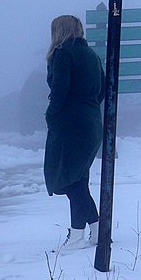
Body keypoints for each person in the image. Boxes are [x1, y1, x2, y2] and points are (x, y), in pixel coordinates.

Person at [44, 14, 104, 251]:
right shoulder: (91, 55)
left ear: (58, 31)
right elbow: (103, 88)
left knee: (70, 180)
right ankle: (98, 231)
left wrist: (52, 115)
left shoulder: (63, 53)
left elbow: (60, 89)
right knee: (78, 179)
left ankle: (77, 235)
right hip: (90, 123)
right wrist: (87, 107)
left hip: (70, 124)